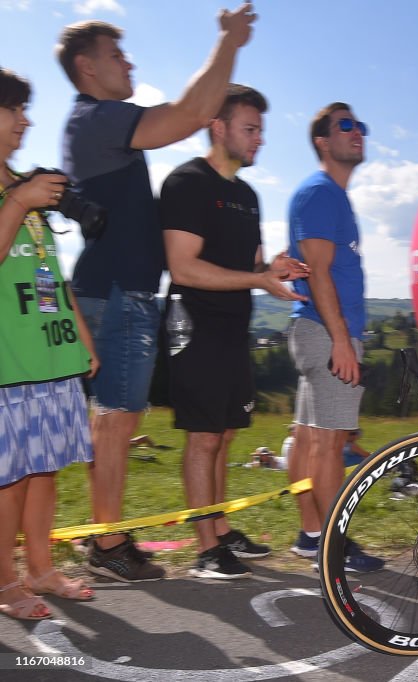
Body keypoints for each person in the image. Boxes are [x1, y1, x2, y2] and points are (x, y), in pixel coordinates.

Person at [56, 3, 257, 582]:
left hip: (128, 293)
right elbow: (193, 113)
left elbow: (191, 113)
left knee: (118, 418)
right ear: (85, 67)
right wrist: (229, 42)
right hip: (118, 293)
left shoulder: (99, 120)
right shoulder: (94, 118)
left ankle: (109, 536)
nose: (128, 62)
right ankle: (108, 542)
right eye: (116, 54)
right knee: (115, 421)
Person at [161, 84, 307, 579]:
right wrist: (257, 277)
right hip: (195, 327)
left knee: (223, 434)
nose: (259, 139)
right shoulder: (186, 183)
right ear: (217, 127)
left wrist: (275, 267)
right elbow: (182, 267)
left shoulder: (246, 195)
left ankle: (220, 529)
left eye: (261, 130)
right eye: (250, 129)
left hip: (232, 329)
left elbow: (251, 265)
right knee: (202, 438)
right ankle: (206, 550)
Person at [1, 68, 97, 620]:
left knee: (43, 468)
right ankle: (5, 582)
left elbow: (47, 274)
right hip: (7, 362)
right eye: (14, 109)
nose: (25, 120)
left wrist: (80, 335)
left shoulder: (22, 184)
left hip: (49, 350)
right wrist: (18, 201)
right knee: (8, 477)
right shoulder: (18, 193)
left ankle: (39, 567)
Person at [285, 102, 382, 571]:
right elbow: (319, 273)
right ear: (322, 141)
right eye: (345, 125)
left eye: (360, 125)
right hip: (328, 333)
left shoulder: (329, 196)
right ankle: (332, 546)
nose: (357, 132)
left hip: (319, 330)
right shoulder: (321, 193)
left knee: (307, 438)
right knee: (329, 441)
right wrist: (342, 340)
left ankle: (310, 536)